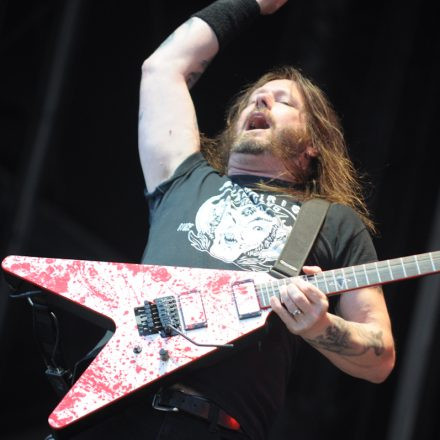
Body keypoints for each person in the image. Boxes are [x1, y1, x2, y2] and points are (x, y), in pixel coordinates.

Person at [70, 1, 395, 439]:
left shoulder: (334, 222)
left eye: (283, 101)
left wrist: (321, 326)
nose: (262, 99)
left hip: (213, 426)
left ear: (312, 144)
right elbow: (163, 67)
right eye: (254, 98)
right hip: (112, 412)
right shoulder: (183, 178)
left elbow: (379, 358)